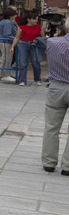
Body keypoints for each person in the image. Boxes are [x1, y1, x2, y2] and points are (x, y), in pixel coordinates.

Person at [41, 23, 69, 174]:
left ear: (65, 27)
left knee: (51, 127)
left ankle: (49, 162)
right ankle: (68, 166)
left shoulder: (52, 42)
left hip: (56, 87)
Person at [14, 13, 43, 87]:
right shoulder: (21, 27)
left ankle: (38, 79)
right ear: (29, 20)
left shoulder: (40, 27)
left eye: (37, 19)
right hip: (23, 44)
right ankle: (23, 80)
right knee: (23, 63)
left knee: (35, 63)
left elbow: (43, 38)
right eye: (34, 19)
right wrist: (12, 46)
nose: (36, 21)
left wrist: (38, 40)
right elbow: (17, 37)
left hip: (34, 45)